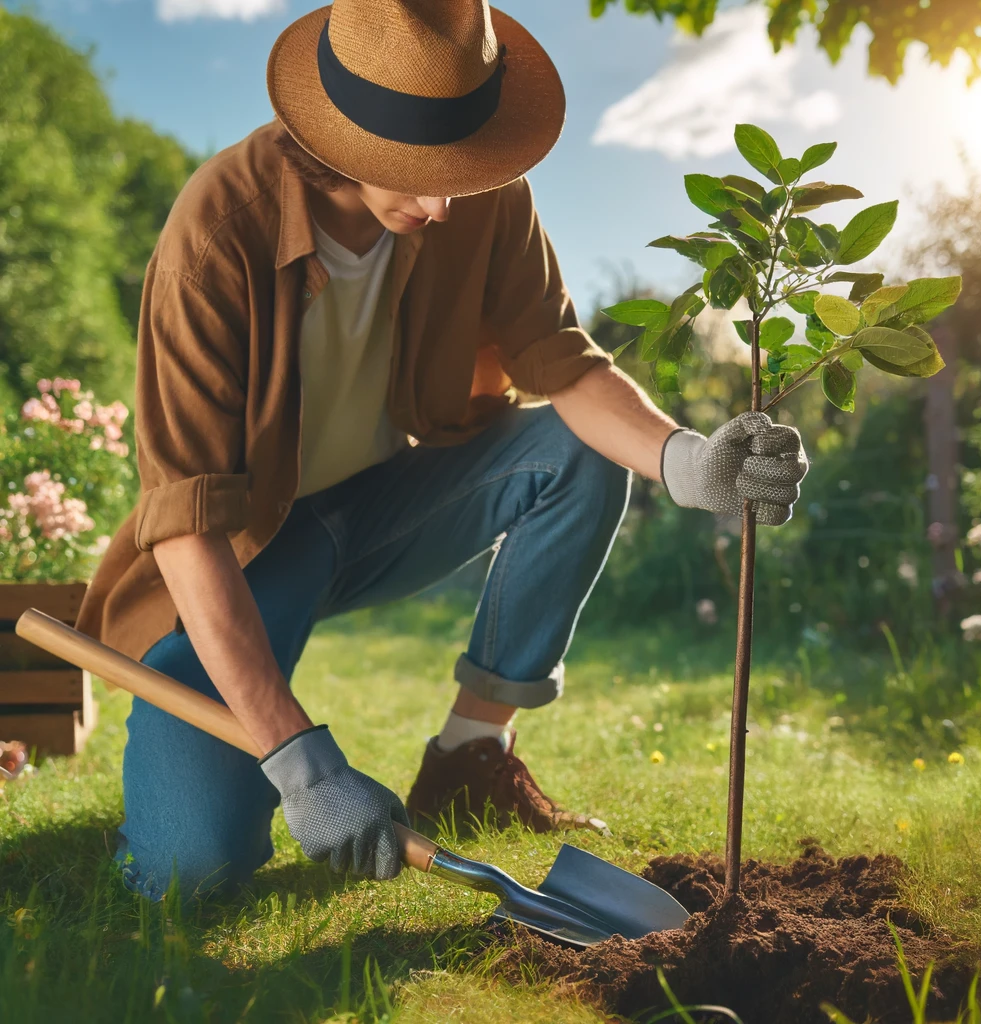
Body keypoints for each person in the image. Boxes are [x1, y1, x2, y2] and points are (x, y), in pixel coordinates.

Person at [77, 0, 808, 900]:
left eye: (456, 170)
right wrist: (303, 767)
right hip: (244, 556)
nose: (440, 202)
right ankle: (185, 796)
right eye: (414, 173)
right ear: (335, 133)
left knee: (576, 454)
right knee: (192, 871)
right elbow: (188, 528)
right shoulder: (218, 234)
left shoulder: (478, 195)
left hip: (387, 504)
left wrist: (692, 463)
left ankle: (470, 755)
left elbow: (562, 363)